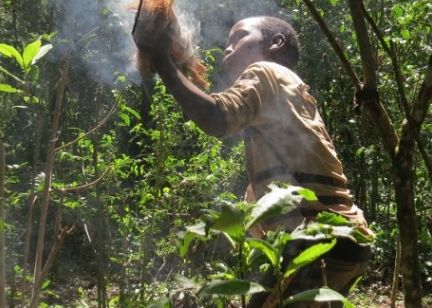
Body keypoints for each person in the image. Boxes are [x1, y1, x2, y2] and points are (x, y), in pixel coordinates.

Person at [133, 15, 372, 307]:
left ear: (276, 43)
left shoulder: (265, 71)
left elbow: (216, 117)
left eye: (239, 38)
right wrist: (181, 66)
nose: (227, 49)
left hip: (317, 238)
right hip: (347, 237)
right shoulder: (286, 92)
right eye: (227, 42)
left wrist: (161, 59)